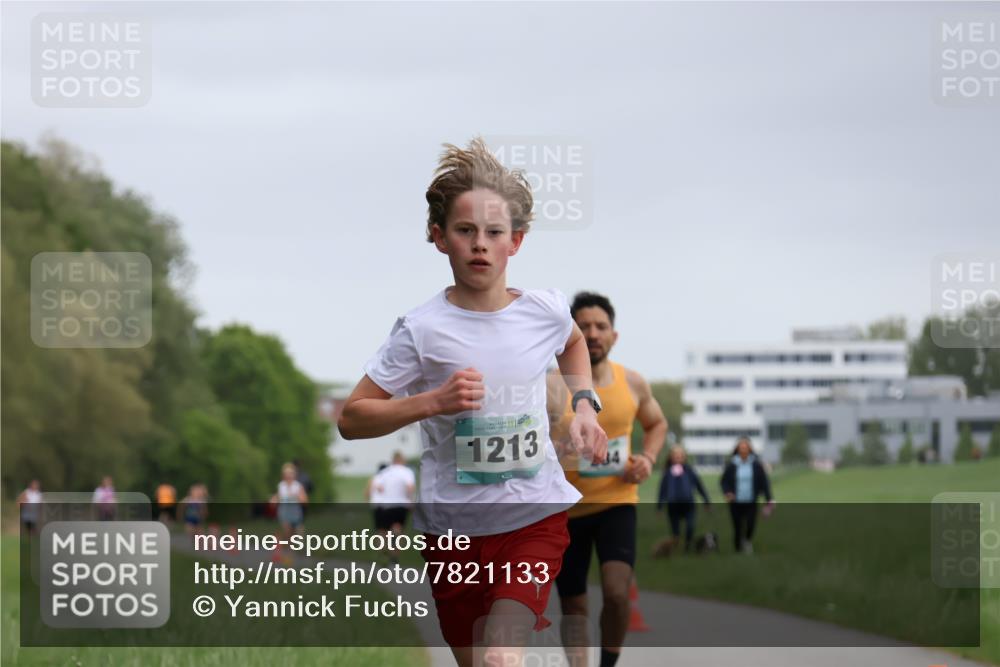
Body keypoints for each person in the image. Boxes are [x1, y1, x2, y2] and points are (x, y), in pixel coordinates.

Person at [337, 137, 608, 667]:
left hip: (534, 518)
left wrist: (582, 405)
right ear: (440, 238)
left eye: (493, 233)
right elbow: (352, 418)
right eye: (465, 231)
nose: (480, 244)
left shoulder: (545, 311)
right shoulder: (420, 331)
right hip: (453, 535)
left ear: (517, 242)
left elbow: (573, 343)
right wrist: (433, 402)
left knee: (501, 657)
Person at [548, 292, 667, 667]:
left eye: (601, 326)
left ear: (614, 335)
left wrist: (647, 458)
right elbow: (531, 440)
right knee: (574, 602)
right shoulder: (552, 386)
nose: (593, 333)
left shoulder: (632, 382)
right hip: (566, 510)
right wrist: (557, 446)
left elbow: (657, 424)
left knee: (617, 593)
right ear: (571, 335)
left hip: (617, 503)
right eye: (584, 327)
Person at [720, 437, 775, 554]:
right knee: (737, 527)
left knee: (750, 524)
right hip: (735, 502)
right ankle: (738, 549)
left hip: (751, 501)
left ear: (750, 449)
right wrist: (727, 492)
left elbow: (764, 482)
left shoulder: (756, 465)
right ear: (737, 449)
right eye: (741, 447)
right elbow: (723, 481)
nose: (743, 450)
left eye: (746, 447)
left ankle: (747, 541)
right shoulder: (732, 465)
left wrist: (769, 499)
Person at [656, 445, 710, 552]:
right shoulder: (667, 473)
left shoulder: (689, 471)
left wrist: (706, 501)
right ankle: (675, 548)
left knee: (690, 527)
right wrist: (660, 507)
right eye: (675, 456)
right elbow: (662, 490)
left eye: (680, 456)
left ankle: (687, 546)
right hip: (673, 505)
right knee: (675, 531)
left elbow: (699, 486)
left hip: (689, 504)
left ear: (684, 457)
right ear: (671, 457)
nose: (678, 458)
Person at [371, 451, 416, 565]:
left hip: (386, 505)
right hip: (401, 504)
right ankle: (394, 555)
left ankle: (383, 551)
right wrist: (411, 501)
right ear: (402, 460)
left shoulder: (385, 472)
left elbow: (379, 487)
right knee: (398, 528)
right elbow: (410, 487)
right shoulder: (407, 472)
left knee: (384, 530)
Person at [272, 463, 308, 538]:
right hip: (284, 510)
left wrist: (298, 497)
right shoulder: (281, 485)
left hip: (295, 510)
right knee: (287, 531)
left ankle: (297, 544)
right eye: (286, 473)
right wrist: (273, 500)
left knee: (298, 530)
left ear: (294, 475)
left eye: (290, 473)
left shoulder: (297, 485)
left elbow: (304, 500)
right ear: (283, 475)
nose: (288, 475)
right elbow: (277, 496)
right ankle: (289, 545)